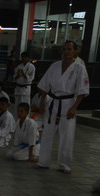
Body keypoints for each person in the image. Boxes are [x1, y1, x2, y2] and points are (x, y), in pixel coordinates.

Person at [35, 40, 89, 174]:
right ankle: (43, 162)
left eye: (69, 49)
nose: (66, 52)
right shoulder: (55, 66)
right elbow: (44, 86)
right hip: (53, 102)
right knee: (47, 133)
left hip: (68, 102)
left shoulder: (79, 68)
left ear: (75, 51)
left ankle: (65, 164)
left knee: (67, 135)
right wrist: (42, 103)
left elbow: (82, 91)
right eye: (64, 49)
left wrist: (74, 107)